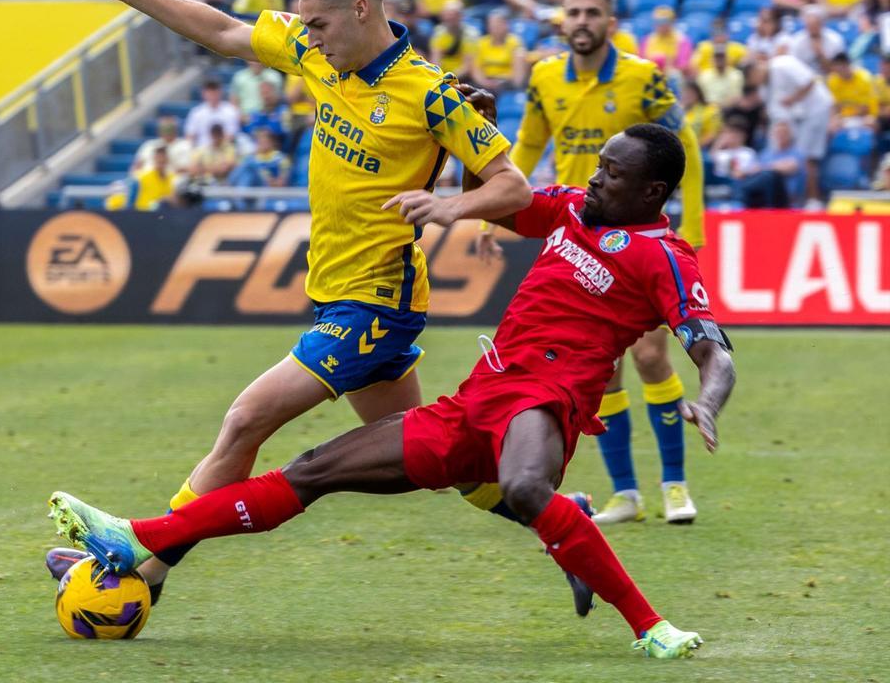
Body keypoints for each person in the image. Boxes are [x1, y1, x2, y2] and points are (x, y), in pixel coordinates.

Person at [47, 123, 735, 660]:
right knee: (313, 471)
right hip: (474, 402)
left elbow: (713, 350)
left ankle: (652, 625)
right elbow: (502, 207)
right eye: (598, 165)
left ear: (651, 193)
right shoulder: (572, 211)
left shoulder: (666, 257)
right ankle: (136, 539)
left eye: (613, 174)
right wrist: (476, 149)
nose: (594, 178)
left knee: (525, 488)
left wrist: (707, 398)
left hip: (545, 398)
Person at [63, 0, 564, 609]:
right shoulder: (315, 52)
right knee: (438, 462)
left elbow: (514, 187)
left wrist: (450, 206)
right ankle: (568, 525)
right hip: (340, 293)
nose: (310, 38)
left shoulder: (430, 95)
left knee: (245, 422)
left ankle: (139, 566)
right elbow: (221, 30)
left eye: (320, 24)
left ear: (361, 10)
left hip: (374, 307)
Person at [481, 0, 706, 526]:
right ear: (563, 21)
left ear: (610, 23)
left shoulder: (642, 78)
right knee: (602, 373)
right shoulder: (542, 76)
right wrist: (495, 203)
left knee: (652, 356)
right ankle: (625, 494)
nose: (581, 20)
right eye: (573, 11)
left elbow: (687, 149)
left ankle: (674, 485)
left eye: (592, 12)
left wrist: (692, 230)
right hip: (579, 232)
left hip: (638, 242)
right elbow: (529, 144)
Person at [755, 40, 835, 206]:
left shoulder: (783, 63)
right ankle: (791, 201)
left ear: (759, 66)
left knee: (806, 157)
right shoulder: (764, 85)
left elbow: (810, 81)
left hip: (816, 109)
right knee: (795, 155)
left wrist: (793, 99)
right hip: (799, 117)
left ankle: (813, 200)